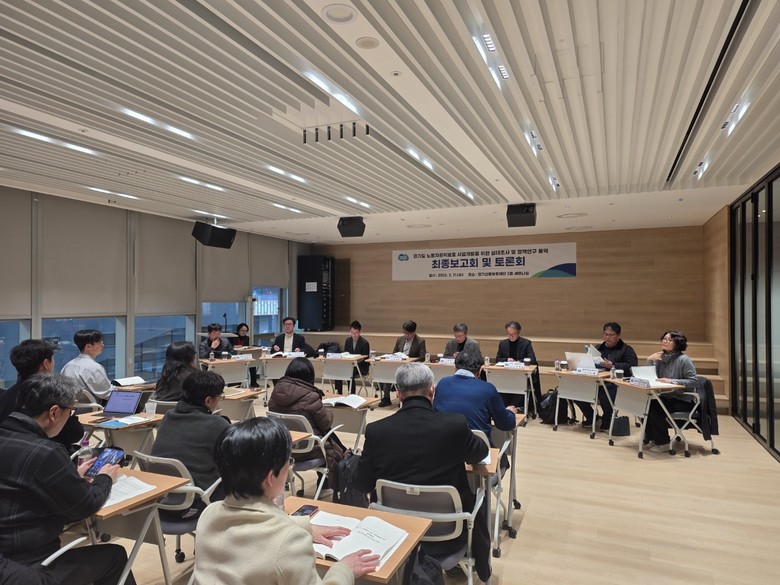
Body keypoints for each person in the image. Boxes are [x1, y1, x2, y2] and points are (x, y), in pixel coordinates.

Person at [193, 417, 379, 584]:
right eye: (288, 462)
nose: (290, 467)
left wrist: (306, 527)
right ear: (270, 477)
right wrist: (344, 569)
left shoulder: (209, 514)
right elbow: (275, 539)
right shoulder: (290, 542)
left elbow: (253, 529)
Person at [353, 362, 491, 582]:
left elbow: (362, 484)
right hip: (448, 537)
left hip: (394, 533)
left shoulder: (377, 431)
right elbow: (480, 453)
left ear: (398, 393)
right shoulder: (454, 425)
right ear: (432, 390)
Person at [0, 373, 135, 585]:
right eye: (71, 412)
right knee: (115, 557)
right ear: (54, 412)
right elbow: (84, 506)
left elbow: (21, 485)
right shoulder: (46, 452)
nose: (71, 418)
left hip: (8, 554)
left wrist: (69, 477)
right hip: (28, 563)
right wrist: (104, 478)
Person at [151, 370, 230, 505]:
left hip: (161, 495)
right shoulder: (216, 424)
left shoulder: (168, 416)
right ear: (208, 400)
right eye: (219, 396)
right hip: (198, 498)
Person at [0, 339, 84, 449]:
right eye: (52, 359)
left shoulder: (6, 395)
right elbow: (75, 433)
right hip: (46, 453)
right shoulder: (51, 397)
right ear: (46, 364)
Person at [268, 358, 345, 477]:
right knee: (331, 443)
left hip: (284, 449)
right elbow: (326, 423)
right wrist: (328, 412)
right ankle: (326, 482)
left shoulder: (275, 393)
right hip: (310, 451)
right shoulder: (311, 396)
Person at [434, 351, 518, 446]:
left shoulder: (442, 384)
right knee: (502, 454)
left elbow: (434, 414)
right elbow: (506, 424)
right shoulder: (488, 389)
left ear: (455, 367)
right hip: (476, 449)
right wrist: (510, 412)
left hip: (443, 446)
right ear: (480, 371)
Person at [577, 322, 638, 431]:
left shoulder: (626, 349)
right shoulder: (598, 348)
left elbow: (632, 366)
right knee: (576, 390)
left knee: (606, 391)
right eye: (605, 334)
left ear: (618, 336)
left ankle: (607, 419)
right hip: (597, 380)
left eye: (611, 335)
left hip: (616, 383)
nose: (607, 337)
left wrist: (613, 365)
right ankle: (592, 417)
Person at [644, 330, 698, 452]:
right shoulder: (659, 358)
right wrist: (649, 360)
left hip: (682, 399)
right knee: (644, 404)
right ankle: (652, 438)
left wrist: (671, 381)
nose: (665, 341)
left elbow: (693, 381)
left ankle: (663, 443)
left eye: (669, 340)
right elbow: (650, 376)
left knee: (654, 408)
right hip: (666, 396)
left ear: (677, 343)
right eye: (664, 339)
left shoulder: (684, 360)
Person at [378, 320, 427, 407]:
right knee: (387, 372)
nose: (406, 335)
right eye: (405, 333)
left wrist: (411, 360)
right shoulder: (400, 339)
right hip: (398, 364)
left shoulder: (420, 341)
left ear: (413, 332)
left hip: (411, 367)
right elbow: (394, 352)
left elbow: (422, 357)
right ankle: (386, 397)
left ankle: (404, 399)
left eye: (408, 334)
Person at [495, 321, 541, 409]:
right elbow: (498, 359)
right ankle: (505, 408)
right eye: (509, 334)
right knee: (499, 385)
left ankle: (511, 407)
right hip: (506, 375)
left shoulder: (526, 343)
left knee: (520, 386)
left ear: (518, 332)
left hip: (521, 376)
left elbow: (532, 359)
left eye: (514, 334)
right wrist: (506, 360)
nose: (511, 336)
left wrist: (518, 362)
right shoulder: (503, 343)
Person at [60, 329, 115, 400]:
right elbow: (107, 394)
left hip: (71, 405)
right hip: (96, 406)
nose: (102, 345)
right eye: (99, 342)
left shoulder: (67, 366)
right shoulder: (94, 368)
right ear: (88, 346)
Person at [334, 320, 370, 395]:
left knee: (350, 371)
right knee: (338, 370)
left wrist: (353, 364)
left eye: (356, 333)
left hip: (361, 367)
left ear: (359, 332)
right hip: (350, 364)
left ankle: (352, 393)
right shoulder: (348, 341)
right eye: (352, 333)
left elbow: (365, 360)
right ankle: (338, 392)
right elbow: (346, 354)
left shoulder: (365, 343)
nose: (354, 335)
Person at [230, 323, 258, 387]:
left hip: (243, 355)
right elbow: (228, 346)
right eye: (242, 330)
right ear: (238, 330)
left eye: (245, 331)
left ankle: (253, 382)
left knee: (252, 364)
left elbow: (246, 346)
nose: (243, 332)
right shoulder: (232, 336)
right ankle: (235, 382)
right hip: (234, 356)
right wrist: (234, 346)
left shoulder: (247, 338)